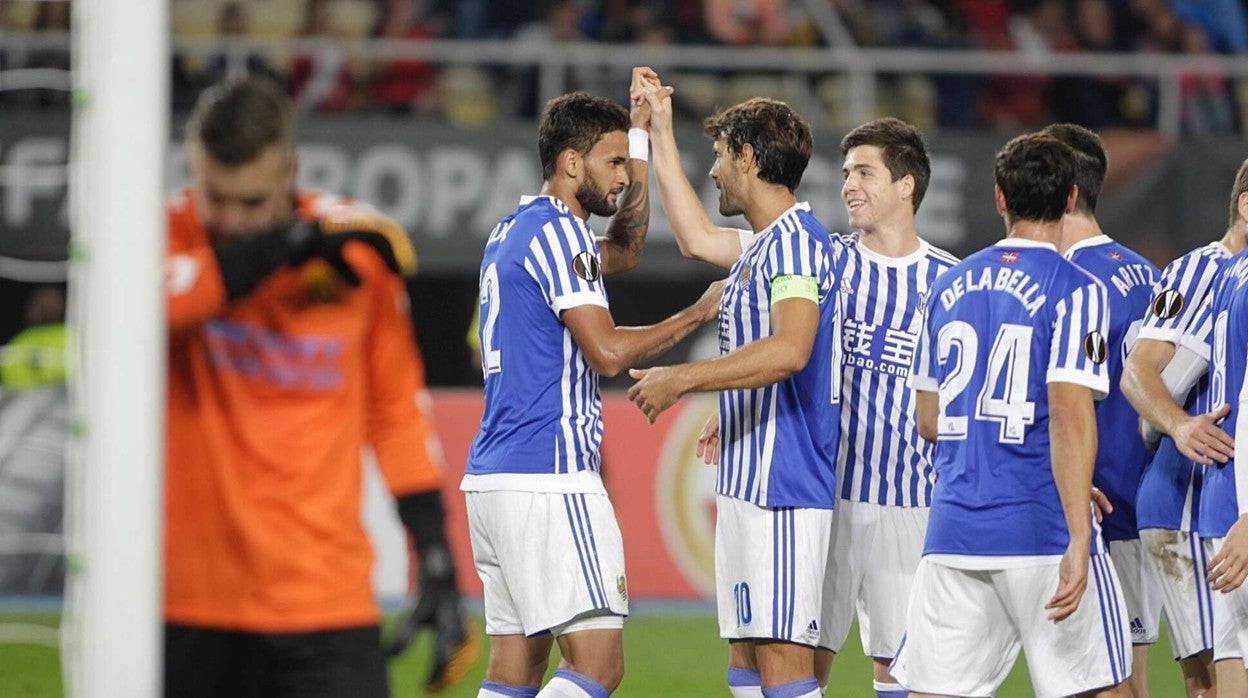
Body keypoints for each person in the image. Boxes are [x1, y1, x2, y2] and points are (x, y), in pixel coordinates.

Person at [162, 76, 474, 697]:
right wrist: (281, 245)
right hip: (191, 602)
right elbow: (148, 309)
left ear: (290, 172)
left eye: (252, 202)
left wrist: (435, 555)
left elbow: (395, 414)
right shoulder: (167, 235)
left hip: (326, 603)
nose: (231, 220)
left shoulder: (356, 258)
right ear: (193, 172)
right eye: (215, 198)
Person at [463, 70, 725, 698]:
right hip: (549, 478)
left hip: (494, 482)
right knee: (598, 666)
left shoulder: (515, 231)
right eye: (611, 163)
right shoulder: (558, 233)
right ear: (570, 162)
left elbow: (625, 249)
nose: (623, 176)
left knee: (514, 672)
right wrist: (696, 313)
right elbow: (606, 353)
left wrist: (638, 136)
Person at [893, 132, 1131, 697]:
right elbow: (1069, 415)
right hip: (1042, 528)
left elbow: (928, 420)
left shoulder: (946, 286)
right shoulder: (1077, 289)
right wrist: (1079, 531)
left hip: (953, 532)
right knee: (1101, 688)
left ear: (1000, 197)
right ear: (1071, 198)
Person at [630, 80, 839, 698]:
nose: (713, 172)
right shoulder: (762, 247)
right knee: (746, 670)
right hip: (747, 486)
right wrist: (659, 129)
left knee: (785, 674)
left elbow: (791, 348)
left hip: (784, 491)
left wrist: (683, 378)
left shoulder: (796, 243)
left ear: (748, 158)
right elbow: (694, 238)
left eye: (720, 156)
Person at [810, 117, 960, 698]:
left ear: (906, 185)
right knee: (802, 665)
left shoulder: (950, 281)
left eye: (864, 172)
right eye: (846, 173)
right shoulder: (827, 262)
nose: (848, 184)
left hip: (912, 501)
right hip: (827, 498)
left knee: (901, 671)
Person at [1038, 123, 1161, 698]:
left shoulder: (1068, 282)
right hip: (1145, 495)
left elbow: (1062, 405)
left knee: (1102, 680)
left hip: (1095, 504)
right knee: (1130, 671)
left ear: (1061, 192)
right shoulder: (1148, 273)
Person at [1121, 157, 1248, 698]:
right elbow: (1140, 371)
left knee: (1213, 679)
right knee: (1215, 679)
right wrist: (1176, 425)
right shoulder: (1201, 271)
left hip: (1212, 499)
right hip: (1191, 500)